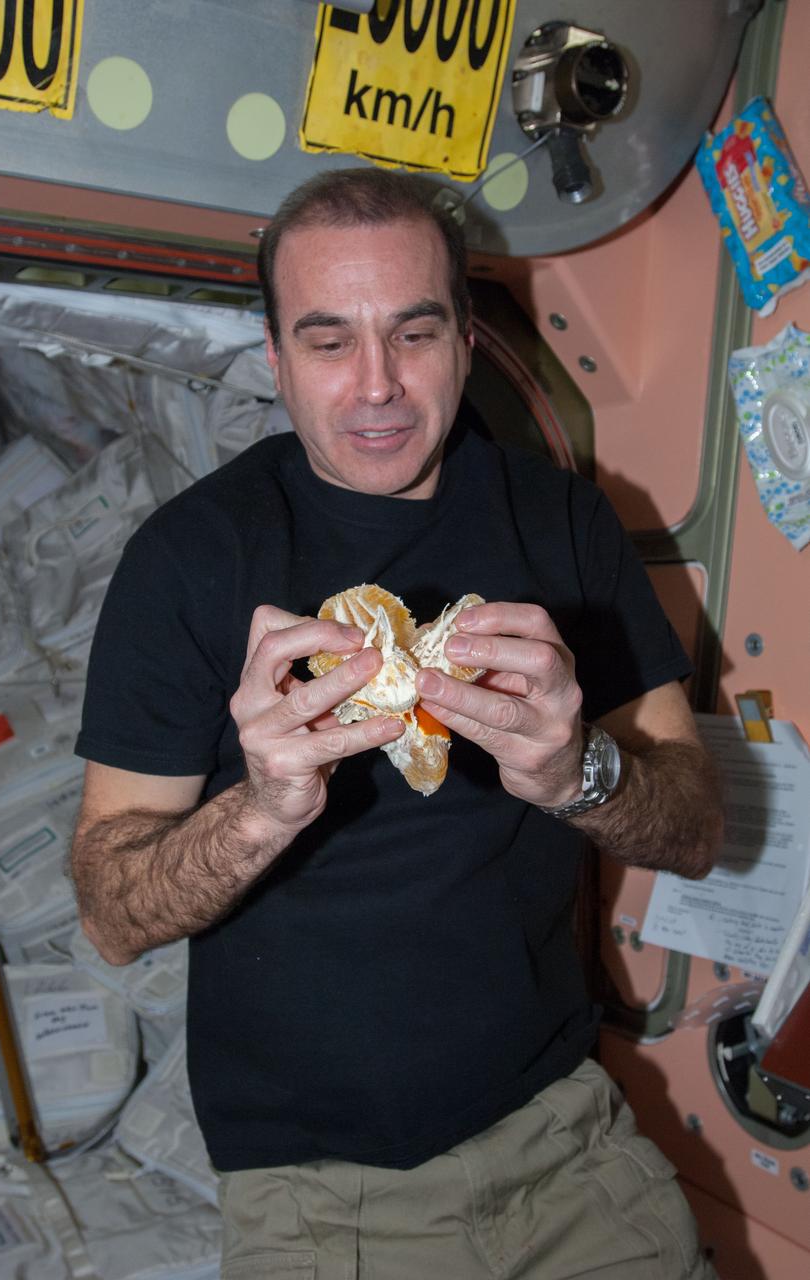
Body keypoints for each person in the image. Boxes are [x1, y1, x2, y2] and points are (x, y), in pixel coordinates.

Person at [70, 166, 723, 1279]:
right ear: (275, 360)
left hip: (564, 1142)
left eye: (412, 332)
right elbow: (109, 909)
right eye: (328, 343)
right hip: (320, 1201)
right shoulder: (191, 561)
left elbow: (699, 822)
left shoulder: (559, 521)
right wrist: (262, 809)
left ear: (466, 340)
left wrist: (580, 770)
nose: (377, 385)